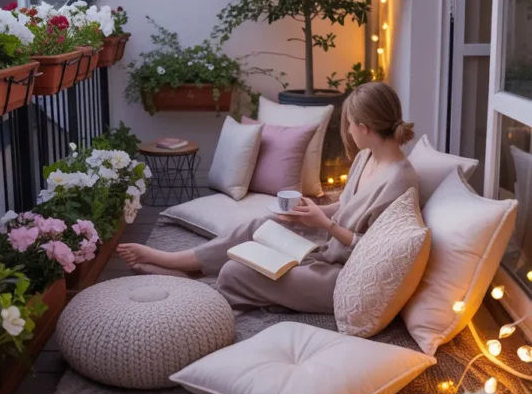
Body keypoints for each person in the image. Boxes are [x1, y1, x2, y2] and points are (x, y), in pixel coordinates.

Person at [117, 82, 418, 313]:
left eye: (351, 124)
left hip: (342, 276)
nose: (349, 131)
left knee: (238, 270)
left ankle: (191, 286)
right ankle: (178, 262)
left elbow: (376, 250)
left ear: (364, 128)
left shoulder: (398, 182)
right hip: (326, 247)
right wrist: (316, 210)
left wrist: (324, 225)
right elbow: (346, 206)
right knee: (262, 225)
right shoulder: (367, 156)